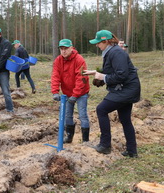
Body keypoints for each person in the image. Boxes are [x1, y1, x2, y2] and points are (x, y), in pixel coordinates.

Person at [83, 30, 140, 158]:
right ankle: (132, 151)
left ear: (105, 41)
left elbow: (121, 74)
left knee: (101, 109)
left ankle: (105, 145)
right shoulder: (111, 52)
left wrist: (103, 77)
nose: (97, 45)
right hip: (125, 89)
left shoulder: (116, 53)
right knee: (125, 119)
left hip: (126, 90)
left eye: (98, 43)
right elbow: (112, 70)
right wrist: (95, 73)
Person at [51, 39, 91, 143]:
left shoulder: (79, 59)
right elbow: (55, 76)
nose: (63, 51)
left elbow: (81, 78)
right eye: (61, 49)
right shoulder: (58, 60)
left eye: (66, 48)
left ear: (71, 48)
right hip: (67, 93)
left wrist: (75, 95)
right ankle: (69, 137)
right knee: (67, 115)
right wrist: (55, 92)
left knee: (82, 115)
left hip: (81, 92)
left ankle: (85, 140)